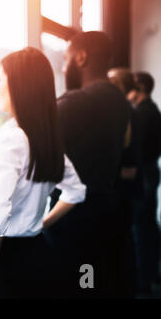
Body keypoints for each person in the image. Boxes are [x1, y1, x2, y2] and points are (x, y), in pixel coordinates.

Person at [0, 47, 86, 299]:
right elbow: (77, 191)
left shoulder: (13, 139)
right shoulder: (44, 138)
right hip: (38, 248)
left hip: (11, 255)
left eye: (0, 79)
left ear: (18, 85)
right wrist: (41, 224)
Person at [45, 31, 132, 298]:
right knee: (92, 281)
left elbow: (35, 143)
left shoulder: (77, 102)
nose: (63, 65)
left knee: (76, 285)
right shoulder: (120, 100)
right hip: (105, 209)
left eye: (66, 58)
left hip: (74, 219)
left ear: (81, 57)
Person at [107, 67, 141, 297]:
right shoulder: (125, 110)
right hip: (122, 190)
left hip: (122, 191)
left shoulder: (127, 112)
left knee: (122, 243)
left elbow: (130, 163)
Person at [130, 71, 161, 295]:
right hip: (152, 171)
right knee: (148, 224)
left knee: (140, 228)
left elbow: (135, 150)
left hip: (144, 174)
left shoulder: (141, 113)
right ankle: (151, 274)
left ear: (138, 87)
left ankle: (143, 282)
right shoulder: (153, 109)